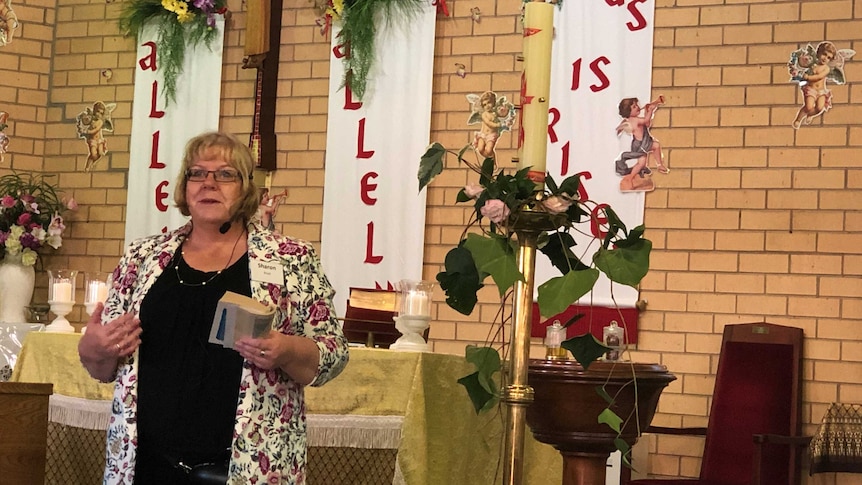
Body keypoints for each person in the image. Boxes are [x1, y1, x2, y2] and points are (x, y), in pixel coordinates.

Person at [78, 131, 349, 484]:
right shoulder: (142, 256)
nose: (209, 183)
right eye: (197, 173)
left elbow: (333, 354)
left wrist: (285, 349)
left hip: (246, 466)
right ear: (184, 186)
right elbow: (102, 367)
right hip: (145, 463)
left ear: (246, 188)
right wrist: (93, 348)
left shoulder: (290, 259)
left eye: (225, 174)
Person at [614, 96, 667, 192]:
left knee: (656, 146)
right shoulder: (635, 120)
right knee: (641, 162)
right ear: (628, 111)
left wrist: (649, 111)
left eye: (636, 105)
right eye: (634, 107)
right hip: (640, 145)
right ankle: (630, 178)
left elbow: (647, 125)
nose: (638, 107)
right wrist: (650, 111)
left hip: (644, 142)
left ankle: (659, 165)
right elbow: (646, 121)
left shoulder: (635, 119)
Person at [791, 41, 837, 129]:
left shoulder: (826, 68)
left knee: (820, 108)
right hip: (811, 89)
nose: (825, 58)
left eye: (828, 58)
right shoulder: (813, 65)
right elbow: (802, 66)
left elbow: (819, 77)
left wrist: (808, 77)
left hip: (821, 91)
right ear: (819, 53)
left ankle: (810, 115)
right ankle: (798, 119)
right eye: (824, 54)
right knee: (808, 106)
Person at [472, 91, 502, 159]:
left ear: (493, 102)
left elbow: (502, 116)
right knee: (480, 149)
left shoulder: (495, 114)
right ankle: (490, 158)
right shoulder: (484, 114)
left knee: (489, 150)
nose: (487, 106)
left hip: (491, 136)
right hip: (483, 135)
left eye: (489, 103)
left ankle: (492, 158)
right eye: (484, 105)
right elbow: (488, 123)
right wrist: (496, 125)